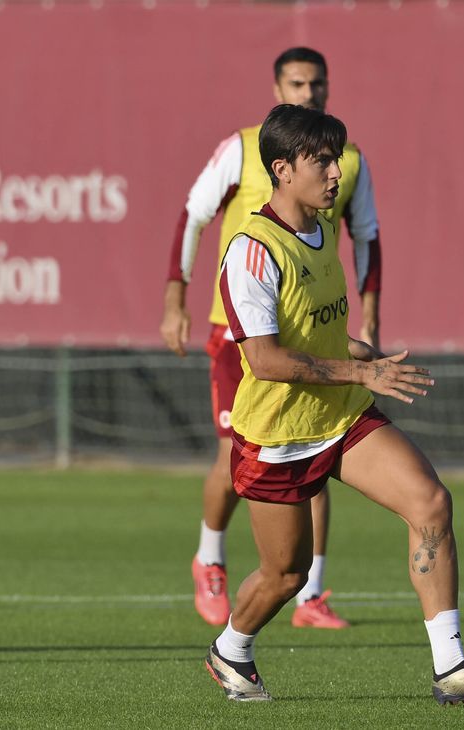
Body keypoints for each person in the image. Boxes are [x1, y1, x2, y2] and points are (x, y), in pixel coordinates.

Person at [203, 104, 464, 705]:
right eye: (321, 160)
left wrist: (361, 356)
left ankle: (451, 667)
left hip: (341, 414)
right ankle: (231, 650)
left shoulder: (324, 230)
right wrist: (358, 368)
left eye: (338, 158)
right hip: (275, 435)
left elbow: (316, 333)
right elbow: (266, 360)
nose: (335, 172)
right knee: (286, 575)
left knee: (430, 502)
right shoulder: (252, 250)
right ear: (282, 169)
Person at [161, 47, 383, 629]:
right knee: (235, 454)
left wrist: (370, 322)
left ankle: (309, 593)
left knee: (316, 448)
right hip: (238, 333)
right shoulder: (244, 148)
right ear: (276, 85)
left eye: (317, 84)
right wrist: (174, 298)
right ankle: (210, 560)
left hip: (310, 328)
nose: (308, 93)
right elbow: (193, 213)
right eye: (297, 83)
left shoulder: (346, 162)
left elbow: (368, 239)